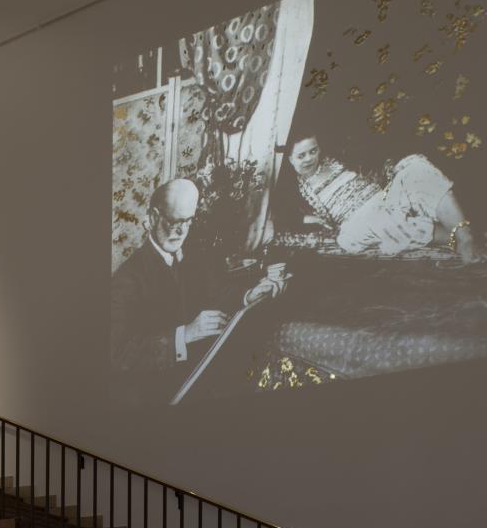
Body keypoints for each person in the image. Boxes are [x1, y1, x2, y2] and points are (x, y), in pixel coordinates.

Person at [111, 178, 284, 400]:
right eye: (174, 221)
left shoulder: (192, 255)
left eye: (188, 221)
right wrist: (186, 334)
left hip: (198, 377)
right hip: (155, 393)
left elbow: (215, 291)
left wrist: (248, 295)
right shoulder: (128, 278)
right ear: (154, 217)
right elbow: (117, 354)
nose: (181, 231)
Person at [285, 135, 477, 261]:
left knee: (415, 166)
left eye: (313, 150)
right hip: (355, 221)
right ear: (290, 159)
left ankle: (464, 235)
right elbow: (283, 215)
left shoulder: (336, 159)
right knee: (380, 221)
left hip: (382, 198)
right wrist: (309, 219)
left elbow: (375, 160)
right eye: (301, 156)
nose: (310, 158)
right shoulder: (293, 188)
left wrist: (392, 171)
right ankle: (450, 239)